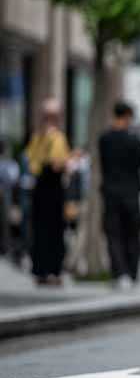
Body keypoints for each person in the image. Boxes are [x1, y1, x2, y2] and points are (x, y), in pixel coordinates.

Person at [99, 101, 140, 288]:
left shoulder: (104, 139)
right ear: (128, 116)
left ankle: (119, 273)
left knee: (113, 234)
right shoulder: (134, 140)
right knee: (132, 234)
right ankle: (131, 273)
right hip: (131, 193)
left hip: (110, 193)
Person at [24, 99, 70, 286]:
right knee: (54, 231)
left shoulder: (37, 137)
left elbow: (29, 161)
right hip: (53, 189)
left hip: (39, 189)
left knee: (40, 231)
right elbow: (58, 164)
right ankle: (53, 270)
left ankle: (40, 270)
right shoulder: (57, 138)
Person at [0, 139, 20, 258]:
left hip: (6, 194)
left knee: (5, 221)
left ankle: (5, 246)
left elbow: (13, 179)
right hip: (6, 193)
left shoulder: (9, 163)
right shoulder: (9, 163)